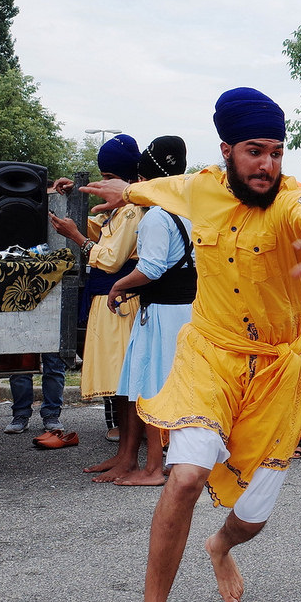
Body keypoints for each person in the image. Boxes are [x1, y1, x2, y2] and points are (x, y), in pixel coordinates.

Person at [82, 87, 301, 602]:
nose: (268, 165)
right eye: (256, 152)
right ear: (227, 150)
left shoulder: (291, 203)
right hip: (211, 355)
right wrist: (123, 190)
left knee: (252, 515)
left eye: (277, 152)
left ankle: (221, 545)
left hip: (277, 368)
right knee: (184, 478)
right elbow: (161, 189)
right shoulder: (201, 186)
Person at [101, 136, 195, 486]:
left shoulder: (157, 216)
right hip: (183, 310)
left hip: (165, 314)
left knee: (155, 387)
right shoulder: (190, 212)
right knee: (159, 384)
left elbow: (153, 267)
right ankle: (144, 461)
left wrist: (120, 285)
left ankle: (154, 468)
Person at [47, 134, 144, 461]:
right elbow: (95, 229)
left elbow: (112, 258)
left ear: (126, 179)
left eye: (108, 179)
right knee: (117, 384)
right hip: (106, 301)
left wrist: (75, 237)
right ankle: (124, 452)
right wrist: (71, 195)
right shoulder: (115, 213)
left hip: (122, 303)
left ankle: (129, 453)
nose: (105, 185)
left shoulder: (132, 212)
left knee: (126, 383)